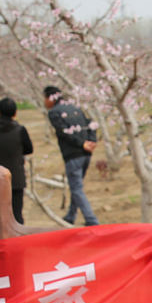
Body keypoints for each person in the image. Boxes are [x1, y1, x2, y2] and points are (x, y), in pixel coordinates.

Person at [43, 85, 99, 226]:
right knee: (76, 186)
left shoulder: (54, 113)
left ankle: (92, 220)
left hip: (73, 154)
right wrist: (91, 141)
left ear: (50, 97)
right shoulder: (75, 108)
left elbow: (63, 132)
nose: (44, 102)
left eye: (44, 98)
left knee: (76, 188)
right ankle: (70, 216)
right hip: (86, 154)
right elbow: (91, 124)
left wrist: (81, 144)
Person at [0, 97, 34, 224]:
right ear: (15, 112)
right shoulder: (20, 130)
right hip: (15, 178)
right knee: (16, 215)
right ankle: (17, 243)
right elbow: (29, 149)